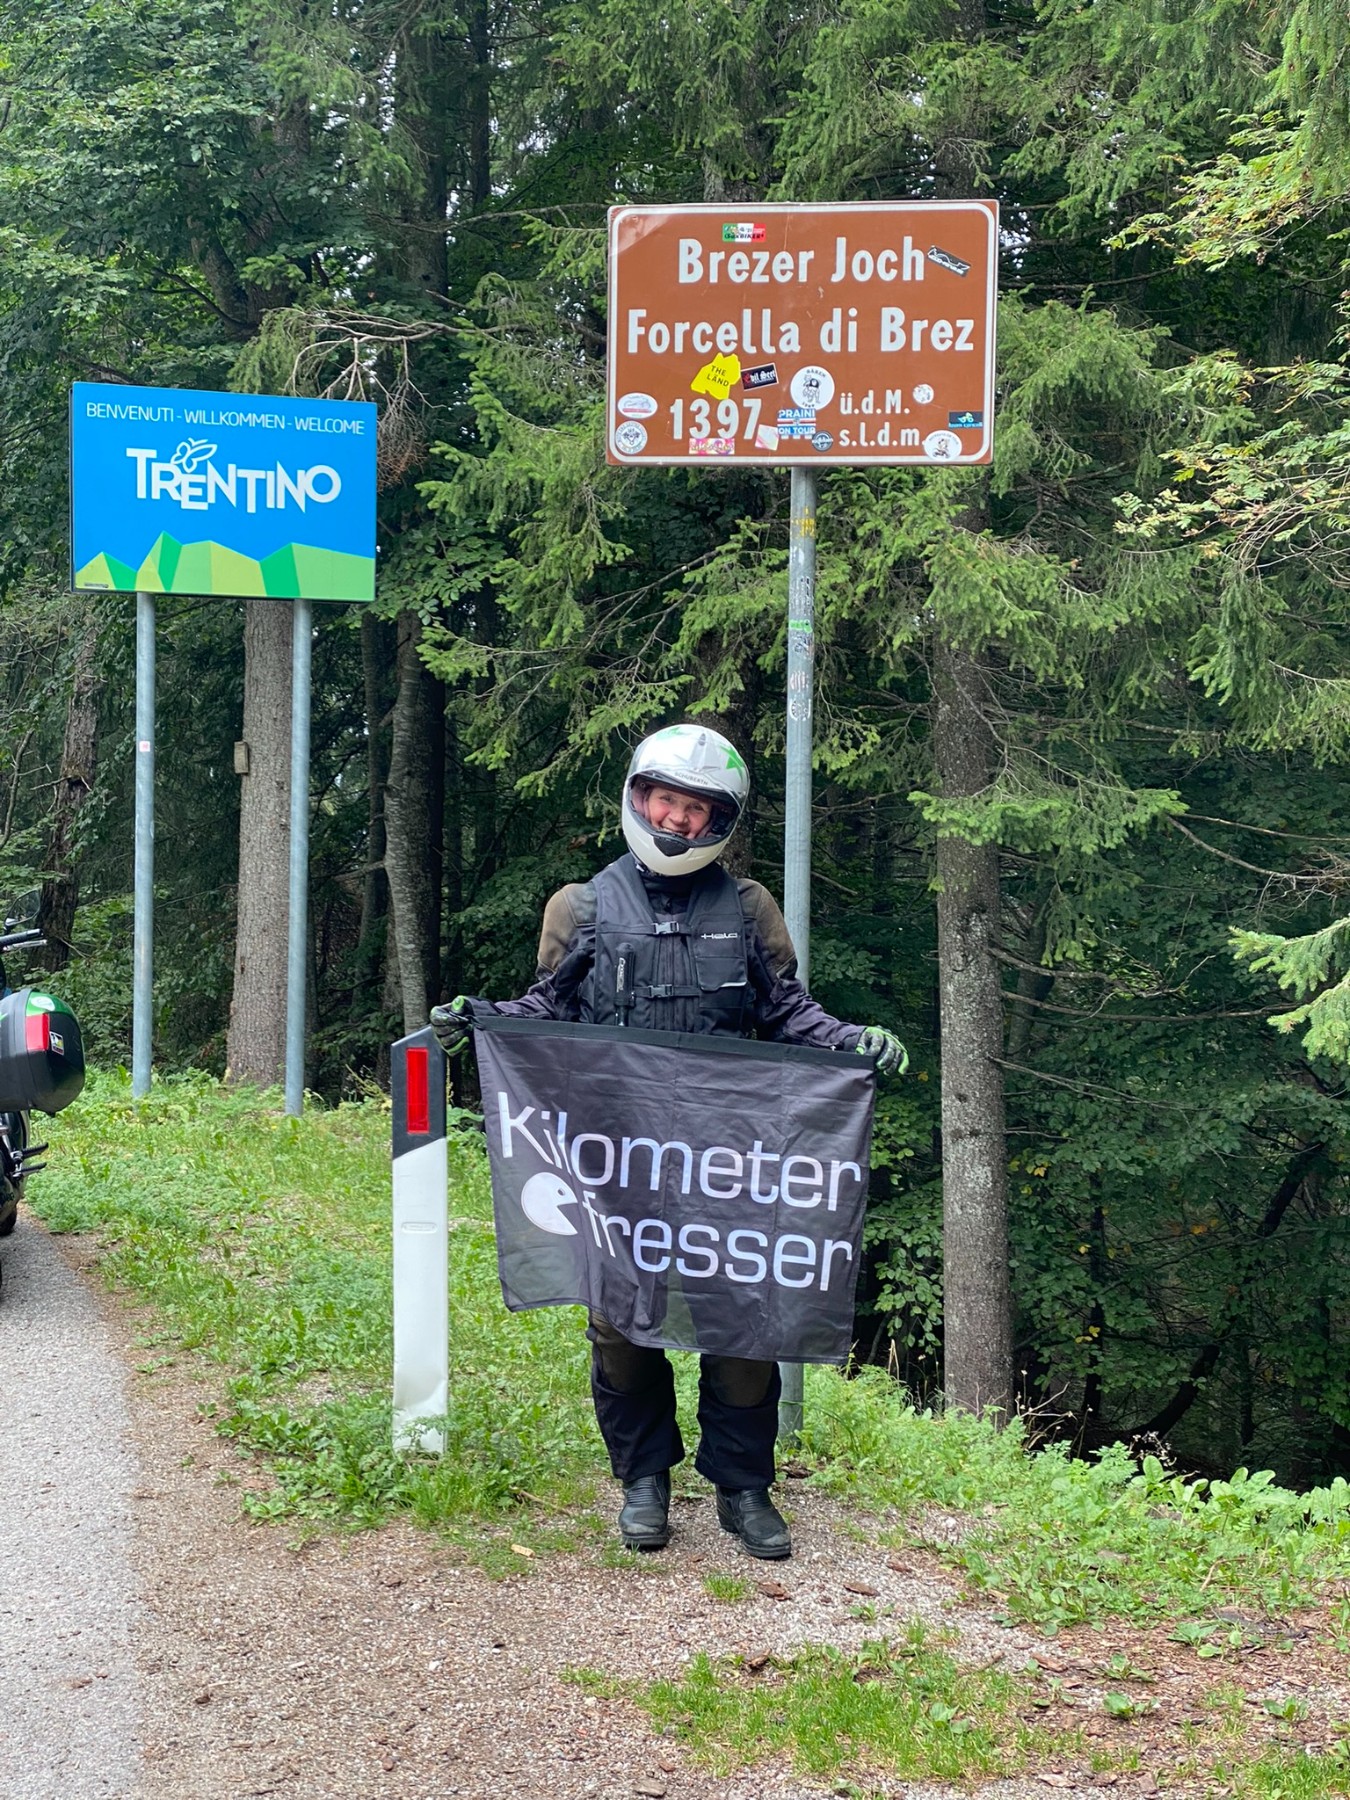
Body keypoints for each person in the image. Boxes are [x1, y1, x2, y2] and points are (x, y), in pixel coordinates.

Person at [431, 723, 905, 1560]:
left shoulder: (750, 908)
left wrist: (850, 1041)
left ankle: (743, 1488)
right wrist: (482, 1019)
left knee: (745, 1321)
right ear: (639, 798)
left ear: (719, 821)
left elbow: (789, 1012)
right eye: (666, 801)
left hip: (726, 1161)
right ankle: (643, 1480)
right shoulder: (579, 906)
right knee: (621, 1324)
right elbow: (546, 1010)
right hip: (616, 1160)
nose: (678, 820)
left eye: (697, 809)